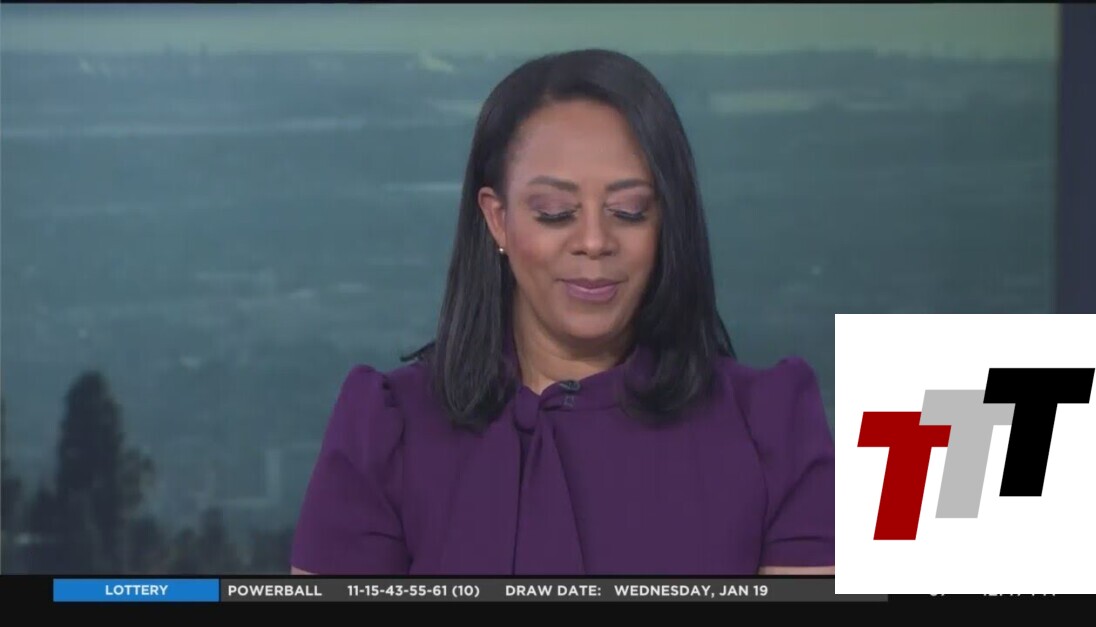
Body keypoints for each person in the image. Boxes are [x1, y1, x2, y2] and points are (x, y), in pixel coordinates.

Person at [290, 49, 835, 576]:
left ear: (666, 222)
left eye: (629, 211)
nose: (594, 241)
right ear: (498, 220)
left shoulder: (771, 430)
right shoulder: (387, 434)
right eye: (555, 213)